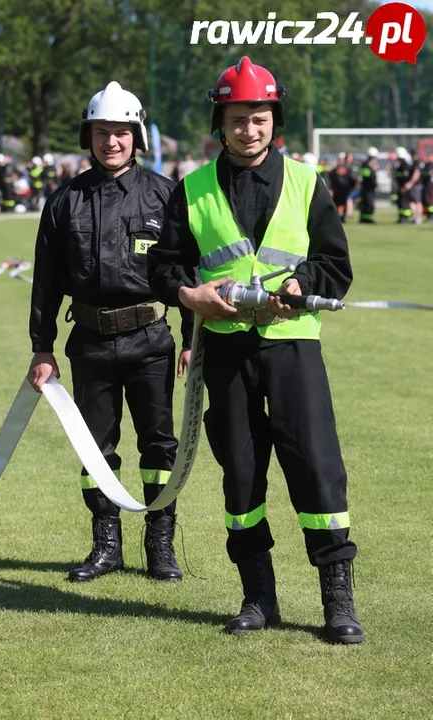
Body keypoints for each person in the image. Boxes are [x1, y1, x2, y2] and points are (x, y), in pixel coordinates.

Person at [148, 55, 364, 644]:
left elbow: (335, 265)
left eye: (261, 117)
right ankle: (257, 596)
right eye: (239, 118)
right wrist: (191, 295)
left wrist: (303, 286)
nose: (250, 129)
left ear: (276, 120)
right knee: (241, 475)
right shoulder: (191, 189)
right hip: (224, 351)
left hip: (293, 349)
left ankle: (337, 602)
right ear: (221, 122)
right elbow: (165, 267)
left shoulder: (305, 182)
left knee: (317, 470)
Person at [27, 81, 193, 584]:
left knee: (159, 446)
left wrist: (191, 339)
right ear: (89, 135)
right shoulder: (64, 202)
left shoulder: (166, 195)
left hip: (151, 342)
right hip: (91, 343)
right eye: (102, 132)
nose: (111, 142)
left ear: (136, 136)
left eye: (121, 132)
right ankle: (106, 544)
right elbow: (46, 280)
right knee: (94, 447)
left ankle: (160, 544)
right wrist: (42, 346)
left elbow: (188, 272)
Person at [328, 153, 356, 223]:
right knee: (339, 203)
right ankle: (340, 217)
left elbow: (352, 178)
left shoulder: (343, 169)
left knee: (341, 203)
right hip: (340, 189)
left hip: (342, 189)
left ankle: (341, 217)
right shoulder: (340, 169)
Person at [358, 147, 378, 224]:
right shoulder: (366, 165)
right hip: (367, 188)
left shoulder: (371, 165)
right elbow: (367, 177)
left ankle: (366, 218)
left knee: (368, 203)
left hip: (371, 188)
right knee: (368, 204)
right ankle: (366, 219)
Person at [393, 147, 412, 224]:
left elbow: (406, 177)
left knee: (405, 203)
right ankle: (401, 217)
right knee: (400, 202)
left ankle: (406, 218)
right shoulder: (399, 166)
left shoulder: (405, 165)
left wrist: (404, 187)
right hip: (400, 186)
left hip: (404, 187)